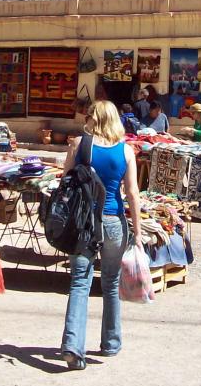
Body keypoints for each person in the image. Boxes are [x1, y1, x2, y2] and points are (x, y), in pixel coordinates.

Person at [60, 101, 142, 370]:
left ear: (95, 118)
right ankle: (111, 342)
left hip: (84, 223)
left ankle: (73, 345)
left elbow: (65, 183)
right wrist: (138, 233)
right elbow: (131, 193)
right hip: (113, 222)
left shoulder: (79, 146)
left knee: (79, 283)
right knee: (110, 282)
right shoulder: (126, 151)